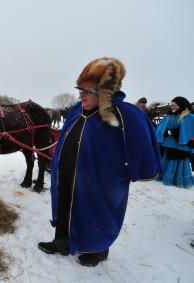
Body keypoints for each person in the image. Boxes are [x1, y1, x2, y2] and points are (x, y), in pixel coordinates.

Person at [38, 57, 162, 267]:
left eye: (87, 91)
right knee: (64, 207)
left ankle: (98, 251)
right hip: (68, 175)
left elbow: (143, 143)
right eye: (80, 90)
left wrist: (136, 170)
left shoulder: (125, 115)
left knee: (96, 213)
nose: (81, 96)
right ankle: (61, 241)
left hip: (101, 181)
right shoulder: (78, 109)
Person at [155, 97, 194, 188]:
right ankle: (164, 175)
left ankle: (176, 179)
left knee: (177, 160)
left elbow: (187, 129)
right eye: (171, 105)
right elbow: (161, 126)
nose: (172, 107)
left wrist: (171, 132)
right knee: (166, 159)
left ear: (180, 105)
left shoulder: (188, 116)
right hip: (167, 142)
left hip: (179, 143)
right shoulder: (169, 115)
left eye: (174, 105)